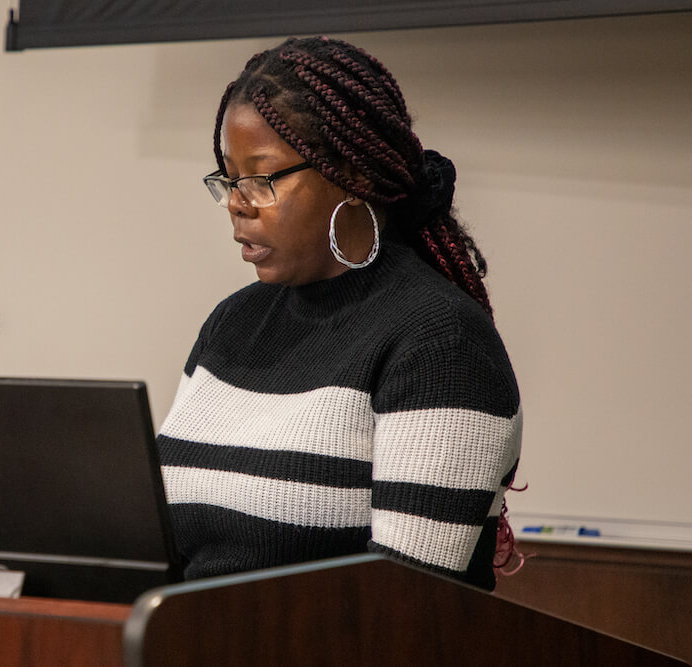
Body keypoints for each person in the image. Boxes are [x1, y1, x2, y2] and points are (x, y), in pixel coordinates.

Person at [155, 36, 522, 591]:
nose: (237, 200)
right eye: (229, 177)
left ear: (351, 175)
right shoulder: (232, 323)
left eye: (262, 176)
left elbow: (406, 605)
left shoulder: (441, 342)